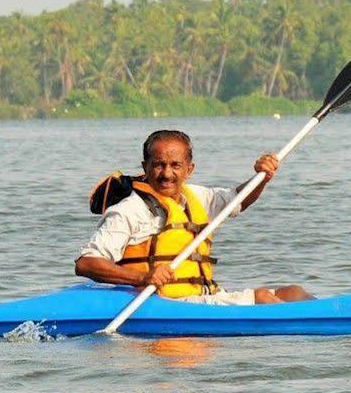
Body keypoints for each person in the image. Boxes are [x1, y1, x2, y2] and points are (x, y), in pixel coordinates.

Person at [76, 129, 310, 305]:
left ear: (189, 169)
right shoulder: (129, 210)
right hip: (163, 303)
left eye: (175, 165)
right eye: (158, 165)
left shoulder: (197, 196)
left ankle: (336, 317)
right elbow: (86, 263)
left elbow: (238, 200)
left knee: (293, 293)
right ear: (145, 167)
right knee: (263, 298)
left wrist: (262, 177)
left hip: (203, 297)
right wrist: (143, 276)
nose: (167, 174)